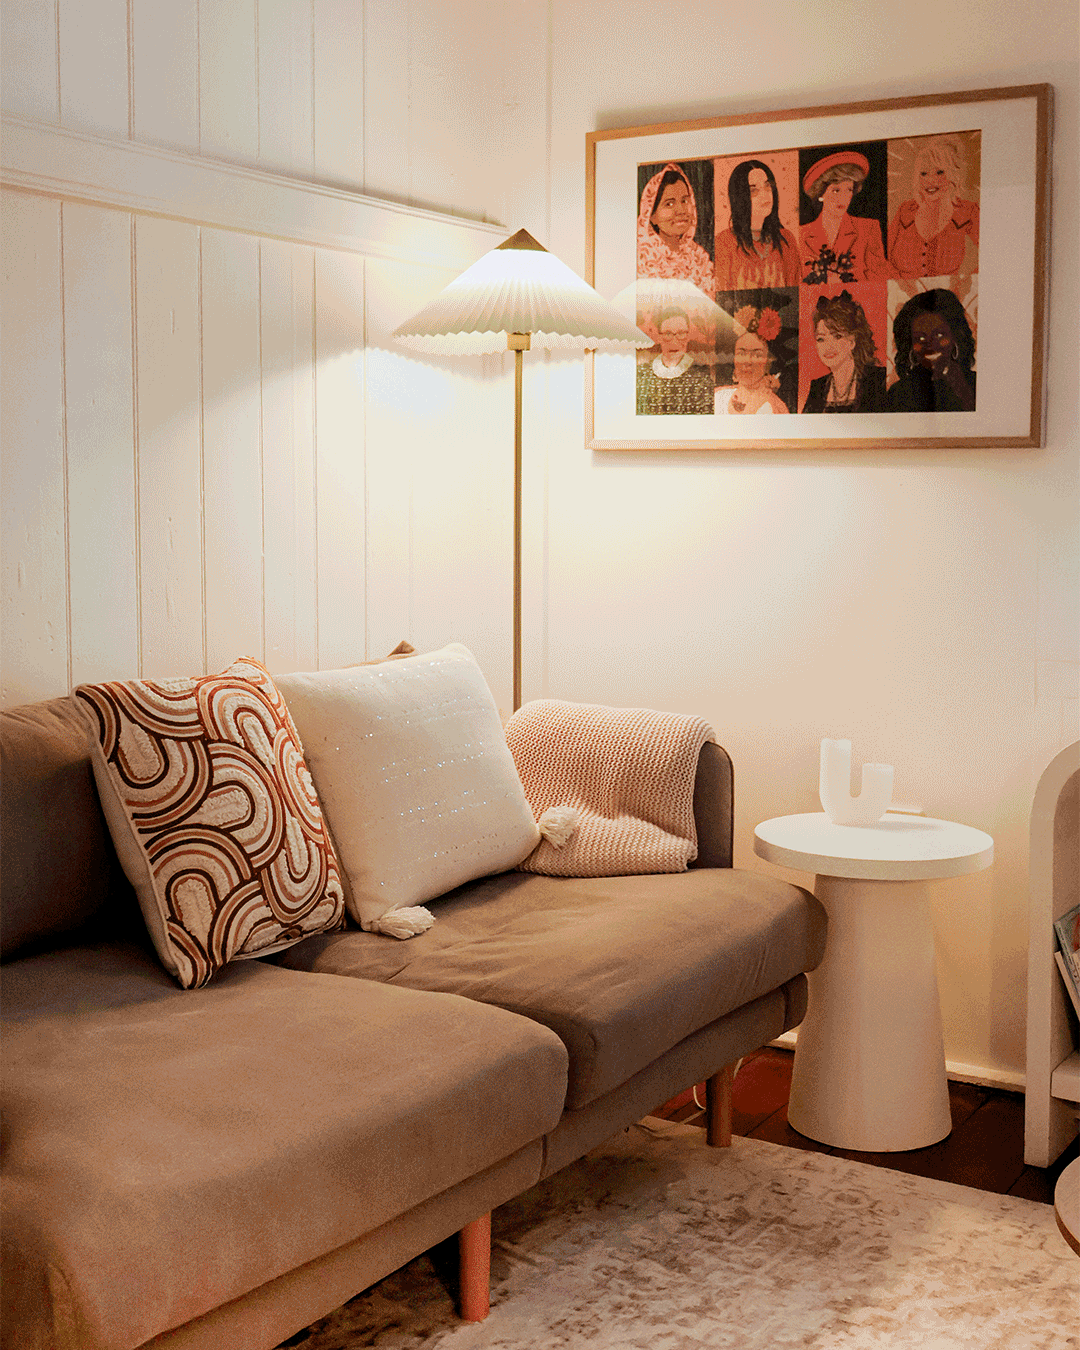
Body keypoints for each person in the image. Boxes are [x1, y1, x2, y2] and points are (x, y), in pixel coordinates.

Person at [887, 137, 980, 280]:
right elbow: (884, 262)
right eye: (923, 173)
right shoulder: (905, 210)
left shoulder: (968, 211)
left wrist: (967, 283)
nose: (930, 181)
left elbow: (993, 255)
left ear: (953, 174)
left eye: (939, 172)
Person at [800, 151, 888, 285]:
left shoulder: (868, 229)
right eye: (836, 190)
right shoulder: (801, 235)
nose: (843, 198)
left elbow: (879, 281)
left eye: (849, 190)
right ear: (820, 193)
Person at [714, 160, 800, 291]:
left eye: (767, 186)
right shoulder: (724, 242)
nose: (764, 194)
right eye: (753, 190)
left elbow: (796, 292)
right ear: (740, 197)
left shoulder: (786, 239)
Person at [885, 288, 976, 412]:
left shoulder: (976, 385)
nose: (930, 344)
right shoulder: (898, 393)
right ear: (910, 345)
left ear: (956, 337)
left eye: (939, 335)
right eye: (920, 338)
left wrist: (961, 388)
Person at [801, 290, 886, 413]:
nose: (828, 347)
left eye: (837, 336)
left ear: (852, 341)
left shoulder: (878, 380)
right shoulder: (817, 386)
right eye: (821, 339)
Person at [637, 163, 715, 294]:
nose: (681, 210)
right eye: (669, 203)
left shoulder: (698, 258)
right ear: (651, 215)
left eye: (684, 201)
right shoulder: (641, 258)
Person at [636, 308, 714, 415]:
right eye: (668, 334)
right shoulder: (642, 373)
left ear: (687, 336)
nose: (675, 341)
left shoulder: (702, 375)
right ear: (659, 337)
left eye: (681, 333)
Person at [714, 306, 789, 414]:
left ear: (767, 362)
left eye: (757, 355)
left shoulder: (777, 408)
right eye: (742, 353)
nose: (748, 361)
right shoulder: (718, 396)